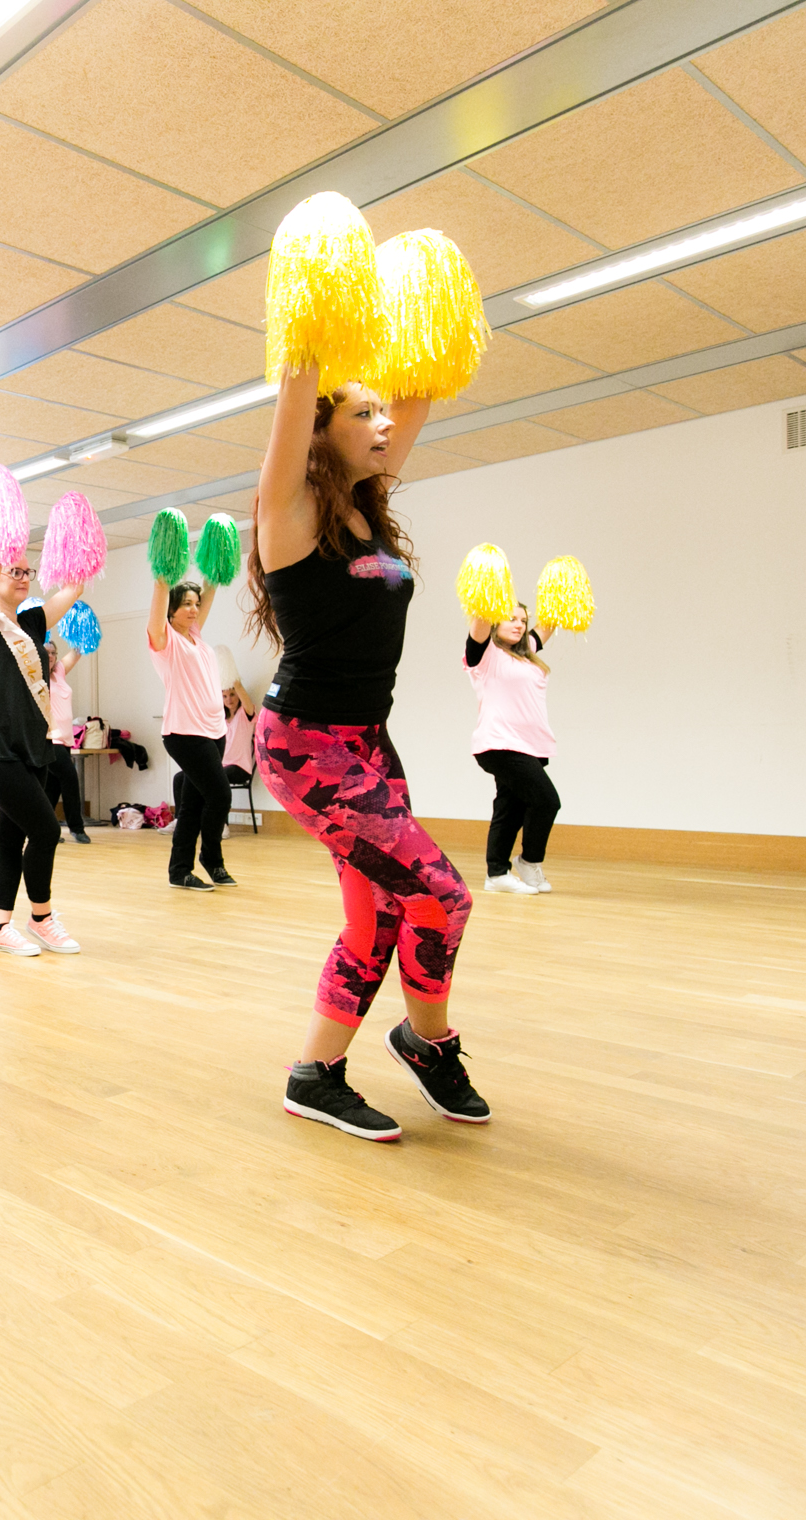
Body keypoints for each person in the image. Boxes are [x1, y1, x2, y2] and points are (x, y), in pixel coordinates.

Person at [249, 369, 487, 1140]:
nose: (385, 424)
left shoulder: (364, 504)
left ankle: (314, 1076)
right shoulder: (288, 509)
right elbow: (296, 393)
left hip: (368, 744)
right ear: (319, 432)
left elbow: (420, 395)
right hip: (305, 744)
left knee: (379, 917)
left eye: (382, 412)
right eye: (363, 413)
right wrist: (310, 350)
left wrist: (423, 340)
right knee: (442, 896)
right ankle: (427, 1043)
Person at [0, 557, 86, 955]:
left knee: (11, 839)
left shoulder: (31, 623)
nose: (22, 577)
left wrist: (80, 550)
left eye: (26, 572)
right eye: (13, 570)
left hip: (34, 749)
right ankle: (41, 918)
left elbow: (74, 589)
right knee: (47, 831)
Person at [145, 578, 241, 889]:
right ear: (171, 610)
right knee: (220, 796)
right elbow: (158, 609)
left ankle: (180, 871)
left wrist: (216, 564)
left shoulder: (196, 636)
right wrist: (162, 579)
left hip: (214, 731)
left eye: (195, 604)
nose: (194, 609)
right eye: (186, 604)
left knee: (192, 806)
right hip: (185, 733)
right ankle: (212, 859)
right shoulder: (165, 640)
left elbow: (209, 589)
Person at [467, 600, 560, 895]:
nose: (519, 624)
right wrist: (489, 592)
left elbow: (548, 625)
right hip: (500, 743)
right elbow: (479, 623)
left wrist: (562, 589)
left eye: (523, 620)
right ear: (495, 621)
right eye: (511, 618)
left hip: (532, 745)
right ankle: (529, 861)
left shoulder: (526, 652)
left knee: (510, 808)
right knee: (547, 801)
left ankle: (496, 874)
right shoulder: (485, 653)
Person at [42, 635, 90, 845]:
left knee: (52, 788)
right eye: (46, 653)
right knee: (70, 778)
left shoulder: (59, 672)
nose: (51, 656)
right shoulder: (34, 676)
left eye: (53, 653)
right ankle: (76, 828)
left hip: (65, 740)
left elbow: (78, 651)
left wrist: (82, 630)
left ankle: (46, 829)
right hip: (49, 739)